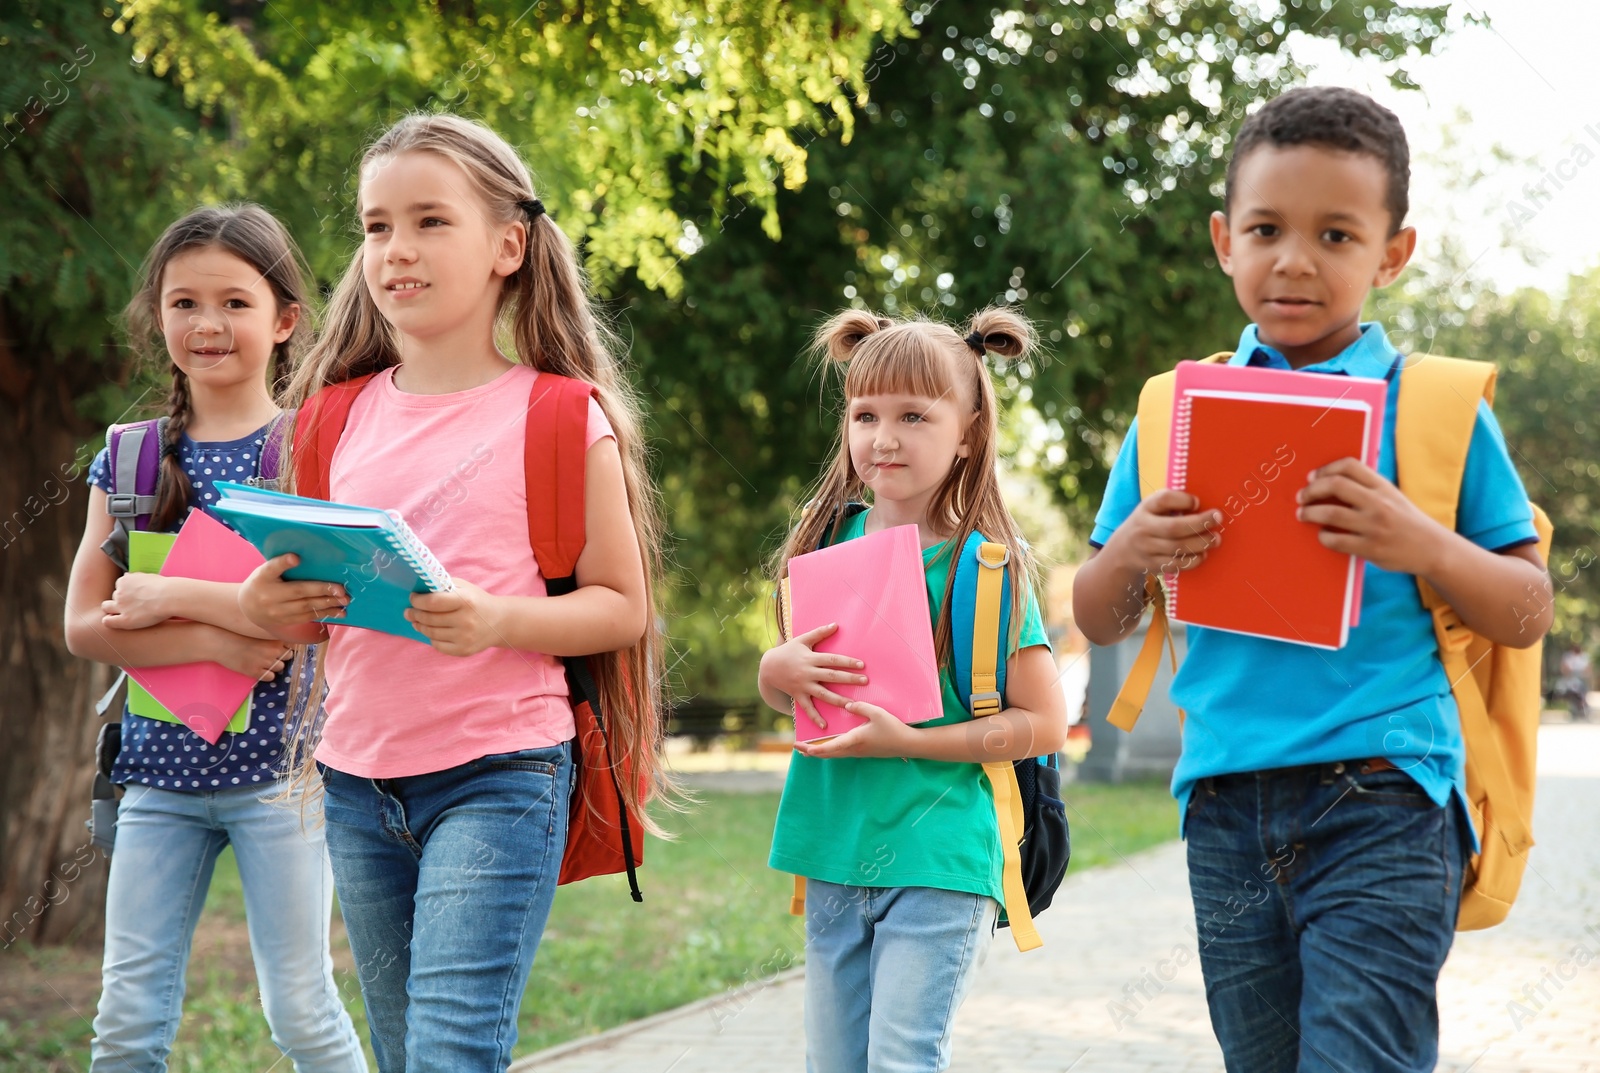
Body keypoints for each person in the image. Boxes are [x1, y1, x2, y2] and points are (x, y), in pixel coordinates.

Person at [1072, 86, 1553, 1073]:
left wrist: (1420, 539)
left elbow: (1526, 607)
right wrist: (1134, 552)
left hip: (1384, 795)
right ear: (1222, 239)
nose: (1293, 259)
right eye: (1265, 228)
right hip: (1223, 803)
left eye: (1335, 234)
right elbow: (1095, 608)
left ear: (1390, 252)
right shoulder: (1173, 410)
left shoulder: (1435, 406)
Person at [237, 113, 666, 1073]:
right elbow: (304, 596)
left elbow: (621, 605)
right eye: (376, 225)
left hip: (503, 771)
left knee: (449, 1050)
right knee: (401, 1055)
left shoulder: (560, 415)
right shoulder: (328, 422)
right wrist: (273, 605)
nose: (396, 250)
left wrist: (494, 619)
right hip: (354, 780)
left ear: (508, 245)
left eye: (431, 221)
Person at [63, 205, 366, 1073]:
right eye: (184, 301)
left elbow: (317, 610)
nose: (207, 324)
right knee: (124, 1021)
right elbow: (86, 625)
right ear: (157, 315)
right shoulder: (129, 460)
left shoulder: (312, 448)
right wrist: (230, 636)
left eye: (235, 302)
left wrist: (167, 595)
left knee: (302, 1011)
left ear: (284, 321)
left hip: (285, 780)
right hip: (155, 781)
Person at [760, 307, 1069, 1073]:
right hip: (832, 846)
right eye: (865, 414)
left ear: (966, 430)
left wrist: (911, 743)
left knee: (903, 1059)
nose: (883, 437)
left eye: (912, 415)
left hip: (939, 854)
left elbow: (1047, 724)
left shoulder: (987, 570)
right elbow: (802, 685)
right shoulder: (823, 544)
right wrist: (775, 673)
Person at [1557, 642, 1591, 721]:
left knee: (1582, 693)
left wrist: (1583, 673)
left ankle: (1583, 708)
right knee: (1572, 693)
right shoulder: (1568, 656)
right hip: (1571, 678)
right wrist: (1568, 671)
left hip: (1582, 678)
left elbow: (1589, 669)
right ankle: (1574, 710)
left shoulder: (1584, 657)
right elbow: (1564, 667)